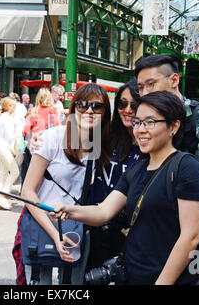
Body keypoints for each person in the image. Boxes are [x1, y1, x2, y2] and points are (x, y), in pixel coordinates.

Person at [51, 91, 199, 285]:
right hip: (133, 274)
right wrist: (69, 210)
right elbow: (103, 211)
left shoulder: (186, 167)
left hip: (169, 278)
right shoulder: (138, 169)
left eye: (150, 122)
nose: (140, 130)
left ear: (173, 127)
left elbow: (191, 236)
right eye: (138, 122)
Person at [21, 83, 113, 285]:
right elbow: (27, 191)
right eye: (82, 105)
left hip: (75, 229)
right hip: (42, 224)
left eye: (97, 107)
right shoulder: (53, 138)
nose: (89, 110)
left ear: (105, 114)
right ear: (73, 109)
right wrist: (55, 234)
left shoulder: (98, 144)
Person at [135, 54, 199, 195]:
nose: (144, 94)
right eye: (140, 87)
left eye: (151, 84)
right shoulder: (145, 122)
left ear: (174, 80)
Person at [83, 79, 142, 272]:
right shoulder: (106, 136)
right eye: (122, 103)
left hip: (130, 234)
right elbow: (73, 138)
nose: (128, 109)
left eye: (134, 104)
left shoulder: (150, 145)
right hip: (96, 229)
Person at [20, 87, 61, 183]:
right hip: (49, 145)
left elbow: (25, 130)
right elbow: (58, 127)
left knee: (28, 170)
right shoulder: (53, 111)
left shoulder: (33, 111)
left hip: (35, 145)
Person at [0, 97, 20, 210]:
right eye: (13, 106)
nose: (15, 108)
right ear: (9, 106)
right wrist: (18, 133)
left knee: (3, 174)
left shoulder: (2, 117)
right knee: (15, 171)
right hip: (4, 146)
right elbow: (10, 136)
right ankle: (2, 197)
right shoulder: (7, 118)